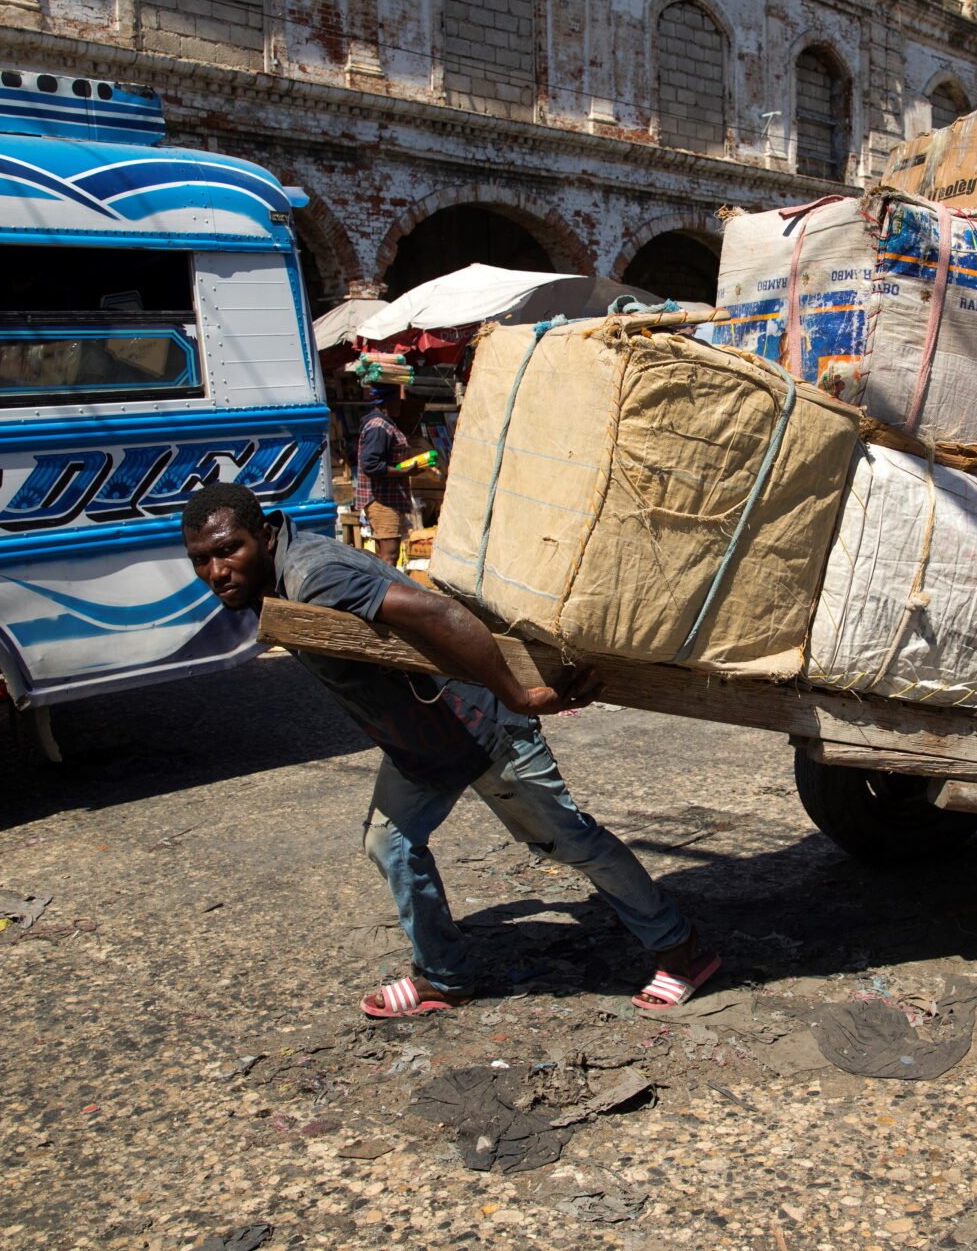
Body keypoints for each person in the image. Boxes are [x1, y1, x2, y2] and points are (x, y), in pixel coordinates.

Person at [180, 481, 718, 1017]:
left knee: (571, 843)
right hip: (422, 740)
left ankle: (679, 949)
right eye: (201, 560)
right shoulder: (280, 579)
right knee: (390, 845)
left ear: (266, 534)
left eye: (230, 550)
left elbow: (438, 615)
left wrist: (519, 696)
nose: (217, 571)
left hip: (477, 723)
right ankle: (444, 976)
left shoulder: (315, 577)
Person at [356, 385, 418, 565]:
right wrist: (404, 472)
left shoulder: (384, 424)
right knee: (389, 555)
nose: (401, 404)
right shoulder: (379, 427)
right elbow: (371, 464)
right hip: (382, 500)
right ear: (387, 401)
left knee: (384, 556)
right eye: (398, 399)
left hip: (388, 499)